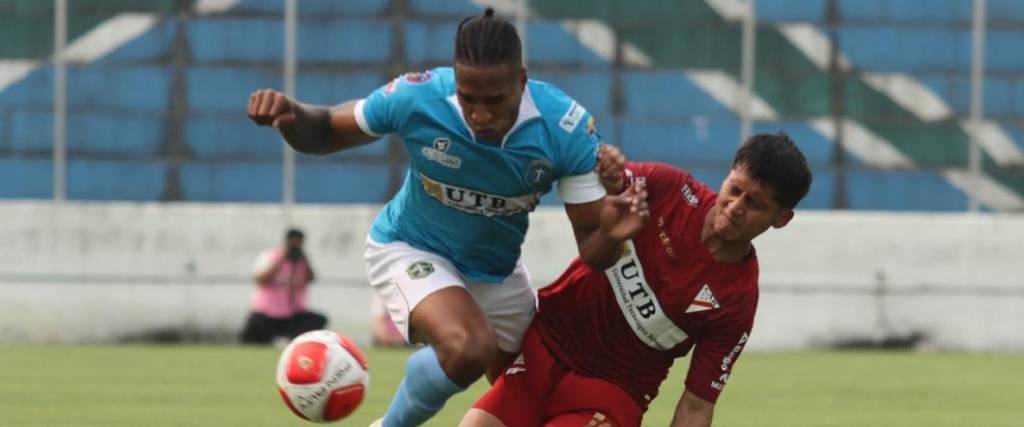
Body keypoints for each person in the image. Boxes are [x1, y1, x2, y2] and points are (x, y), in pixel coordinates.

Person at [247, 8, 638, 427]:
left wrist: (613, 235)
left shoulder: (565, 130)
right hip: (411, 247)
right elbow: (325, 128)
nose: (480, 115)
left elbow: (595, 252)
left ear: (521, 82)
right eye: (469, 99)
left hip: (495, 273)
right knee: (467, 346)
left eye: (495, 101)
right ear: (454, 79)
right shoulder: (418, 97)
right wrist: (289, 116)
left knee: (536, 396)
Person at [460, 132, 813, 427]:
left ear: (781, 219)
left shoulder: (737, 301)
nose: (735, 208)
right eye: (735, 189)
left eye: (755, 204)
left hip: (610, 393)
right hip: (543, 350)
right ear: (727, 175)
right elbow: (600, 185)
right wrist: (607, 175)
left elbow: (696, 404)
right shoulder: (668, 189)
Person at [239, 228, 327, 345]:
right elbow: (260, 280)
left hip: (291, 316)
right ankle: (272, 340)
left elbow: (311, 278)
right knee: (252, 331)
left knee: (317, 319)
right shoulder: (271, 256)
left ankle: (288, 340)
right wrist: (281, 260)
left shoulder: (302, 262)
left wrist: (304, 261)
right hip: (267, 315)